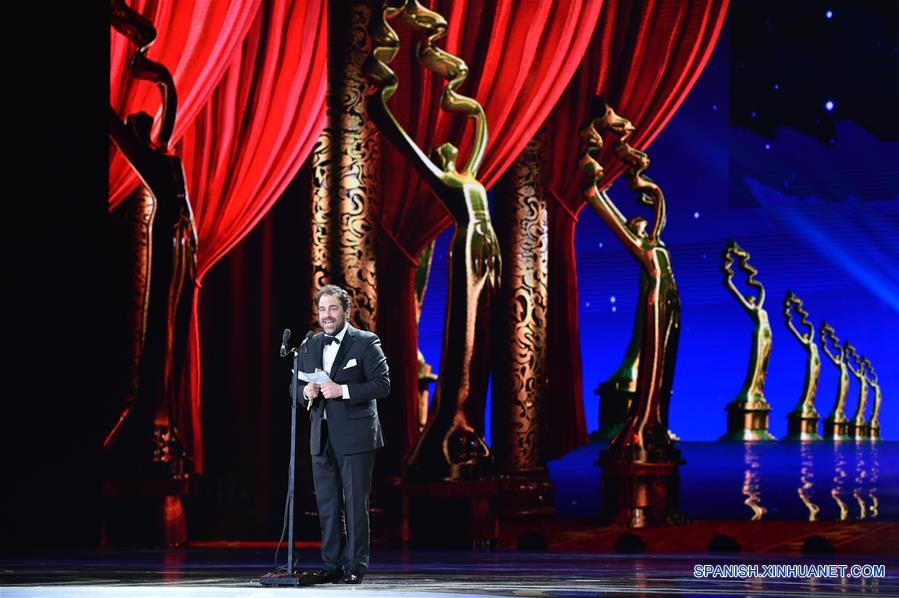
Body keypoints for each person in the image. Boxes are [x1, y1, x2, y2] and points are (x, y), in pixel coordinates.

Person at [296, 284, 390, 585]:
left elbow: (382, 385)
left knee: (354, 504)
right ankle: (331, 564)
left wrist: (343, 390)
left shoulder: (365, 342)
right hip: (320, 436)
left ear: (346, 311)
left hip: (356, 436)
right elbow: (293, 387)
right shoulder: (309, 345)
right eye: (322, 309)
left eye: (333, 308)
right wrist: (304, 391)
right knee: (327, 504)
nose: (327, 315)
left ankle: (355, 566)